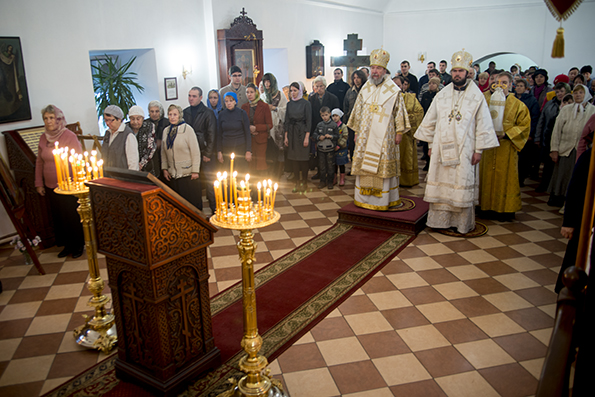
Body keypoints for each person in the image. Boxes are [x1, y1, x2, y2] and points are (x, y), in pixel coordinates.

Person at [415, 49, 499, 234]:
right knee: (441, 185)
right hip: (440, 148)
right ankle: (439, 222)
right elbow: (431, 120)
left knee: (460, 184)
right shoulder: (442, 95)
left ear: (468, 73)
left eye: (461, 71)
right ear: (451, 73)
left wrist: (479, 150)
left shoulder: (476, 96)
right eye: (454, 71)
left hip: (466, 149)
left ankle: (461, 223)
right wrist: (430, 145)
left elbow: (483, 124)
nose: (457, 74)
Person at [347, 48, 410, 210]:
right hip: (365, 137)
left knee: (382, 166)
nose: (375, 71)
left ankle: (383, 200)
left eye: (378, 68)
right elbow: (357, 113)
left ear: (384, 70)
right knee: (365, 166)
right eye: (373, 68)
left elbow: (399, 113)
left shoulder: (393, 91)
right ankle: (364, 199)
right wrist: (356, 132)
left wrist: (399, 132)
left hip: (385, 137)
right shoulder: (365, 89)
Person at [479, 72, 531, 221]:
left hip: (507, 147)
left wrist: (507, 134)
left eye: (504, 82)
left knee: (505, 177)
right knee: (486, 175)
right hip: (488, 146)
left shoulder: (518, 105)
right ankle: (485, 208)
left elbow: (524, 125)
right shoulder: (485, 100)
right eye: (497, 82)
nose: (501, 85)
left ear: (510, 84)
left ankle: (505, 210)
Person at [35, 105, 84, 258]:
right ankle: (67, 245)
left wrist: (75, 182)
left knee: (70, 215)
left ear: (59, 119)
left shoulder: (69, 136)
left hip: (66, 184)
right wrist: (39, 183)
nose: (49, 121)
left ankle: (77, 245)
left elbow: (77, 160)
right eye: (46, 118)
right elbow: (39, 162)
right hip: (50, 185)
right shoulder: (44, 137)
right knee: (59, 217)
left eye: (52, 118)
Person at [548, 84, 595, 207]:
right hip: (566, 147)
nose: (578, 95)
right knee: (563, 176)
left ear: (587, 95)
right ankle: (560, 199)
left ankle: (572, 203)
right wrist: (554, 149)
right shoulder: (566, 109)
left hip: (583, 150)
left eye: (581, 93)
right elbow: (557, 130)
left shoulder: (593, 111)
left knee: (578, 177)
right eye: (576, 93)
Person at [554, 147, 591, 293]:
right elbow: (575, 188)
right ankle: (567, 296)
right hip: (585, 222)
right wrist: (568, 222)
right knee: (576, 259)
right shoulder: (590, 156)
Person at [161, 104, 202, 209]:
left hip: (187, 173)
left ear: (180, 115)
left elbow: (195, 151)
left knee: (190, 203)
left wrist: (195, 170)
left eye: (175, 114)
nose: (172, 117)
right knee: (177, 204)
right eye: (170, 114)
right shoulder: (166, 131)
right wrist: (165, 169)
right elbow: (163, 152)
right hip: (173, 174)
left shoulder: (187, 129)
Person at [183, 87, 217, 213]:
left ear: (201, 98)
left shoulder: (208, 112)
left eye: (194, 96)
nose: (191, 98)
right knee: (194, 181)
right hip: (190, 153)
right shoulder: (185, 112)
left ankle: (215, 209)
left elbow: (212, 134)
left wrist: (208, 153)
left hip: (204, 151)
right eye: (189, 95)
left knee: (210, 181)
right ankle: (196, 209)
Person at [534, 82, 572, 192]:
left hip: (565, 141)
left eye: (562, 91)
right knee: (548, 165)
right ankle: (544, 185)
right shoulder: (550, 104)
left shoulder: (571, 106)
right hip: (548, 138)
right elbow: (542, 120)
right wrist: (538, 137)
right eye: (557, 91)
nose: (559, 93)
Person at [309, 76, 340, 179]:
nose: (319, 88)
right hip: (318, 129)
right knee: (319, 154)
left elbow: (337, 115)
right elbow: (311, 117)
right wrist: (313, 132)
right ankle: (320, 173)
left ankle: (332, 175)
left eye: (321, 86)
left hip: (330, 128)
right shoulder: (312, 99)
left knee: (330, 154)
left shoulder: (333, 98)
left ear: (325, 86)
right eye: (316, 86)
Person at [395, 75, 423, 187]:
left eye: (398, 85)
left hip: (406, 134)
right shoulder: (387, 99)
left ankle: (405, 180)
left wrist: (406, 120)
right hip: (390, 134)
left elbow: (419, 112)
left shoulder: (410, 98)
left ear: (403, 86)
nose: (396, 87)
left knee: (406, 155)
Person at [242, 82, 273, 182]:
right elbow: (241, 123)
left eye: (251, 92)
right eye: (247, 92)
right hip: (249, 141)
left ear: (256, 93)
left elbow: (270, 125)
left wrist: (256, 128)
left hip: (261, 141)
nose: (249, 94)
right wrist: (249, 129)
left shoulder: (264, 106)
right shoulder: (244, 107)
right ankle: (253, 192)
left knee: (261, 167)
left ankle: (262, 192)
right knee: (250, 168)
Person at [217, 92, 252, 180]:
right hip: (226, 148)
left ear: (235, 101)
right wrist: (219, 151)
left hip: (240, 147)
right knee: (228, 174)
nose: (229, 103)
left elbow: (247, 132)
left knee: (241, 173)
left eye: (231, 101)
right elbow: (219, 134)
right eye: (226, 101)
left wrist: (248, 150)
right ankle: (229, 193)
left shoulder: (242, 113)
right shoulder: (221, 115)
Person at [284, 82, 312, 192]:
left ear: (299, 91)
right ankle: (296, 182)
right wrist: (286, 136)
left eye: (295, 90)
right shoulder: (289, 104)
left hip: (302, 132)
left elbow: (309, 121)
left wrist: (307, 137)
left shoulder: (306, 104)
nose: (292, 93)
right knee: (294, 160)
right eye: (291, 91)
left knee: (303, 159)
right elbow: (287, 121)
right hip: (292, 133)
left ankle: (304, 182)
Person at [514, 79, 541, 185]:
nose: (519, 87)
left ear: (526, 88)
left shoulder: (532, 100)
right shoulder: (512, 98)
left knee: (523, 159)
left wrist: (530, 134)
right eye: (517, 86)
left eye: (521, 86)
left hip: (525, 133)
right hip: (513, 132)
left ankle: (521, 179)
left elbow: (534, 118)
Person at [262, 73, 287, 179]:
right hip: (267, 128)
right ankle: (270, 173)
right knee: (269, 151)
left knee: (279, 151)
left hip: (278, 127)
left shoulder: (280, 95)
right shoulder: (263, 96)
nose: (267, 84)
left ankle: (278, 173)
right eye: (265, 82)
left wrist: (274, 108)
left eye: (269, 81)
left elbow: (285, 110)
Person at [102, 105, 139, 170]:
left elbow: (133, 162)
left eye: (111, 120)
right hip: (108, 174)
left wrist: (131, 178)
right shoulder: (107, 133)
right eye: (106, 120)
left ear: (119, 119)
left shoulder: (128, 135)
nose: (107, 123)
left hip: (122, 176)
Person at [343, 69, 367, 165]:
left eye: (358, 78)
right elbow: (346, 107)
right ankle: (354, 165)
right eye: (354, 78)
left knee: (363, 144)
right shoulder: (349, 91)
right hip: (352, 122)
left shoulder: (366, 90)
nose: (356, 80)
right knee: (352, 144)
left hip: (364, 122)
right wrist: (345, 123)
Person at [313, 106, 339, 189]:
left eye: (326, 115)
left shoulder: (334, 125)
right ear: (321, 116)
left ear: (330, 114)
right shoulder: (319, 124)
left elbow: (337, 136)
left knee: (330, 166)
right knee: (322, 166)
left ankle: (330, 182)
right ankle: (322, 181)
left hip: (330, 150)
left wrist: (331, 136)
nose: (325, 117)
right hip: (321, 149)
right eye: (323, 115)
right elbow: (314, 134)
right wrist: (318, 137)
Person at [127, 105, 157, 174]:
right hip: (130, 166)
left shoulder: (149, 126)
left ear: (143, 118)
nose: (135, 122)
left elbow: (151, 147)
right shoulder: (126, 128)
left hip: (146, 166)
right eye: (132, 119)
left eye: (138, 119)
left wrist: (141, 164)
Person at [332, 108, 349, 186]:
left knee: (341, 164)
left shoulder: (343, 126)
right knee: (334, 164)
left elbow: (345, 137)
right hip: (333, 148)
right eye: (333, 116)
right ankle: (334, 178)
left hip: (341, 148)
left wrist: (339, 145)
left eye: (336, 116)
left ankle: (342, 179)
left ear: (340, 116)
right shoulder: (331, 125)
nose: (335, 118)